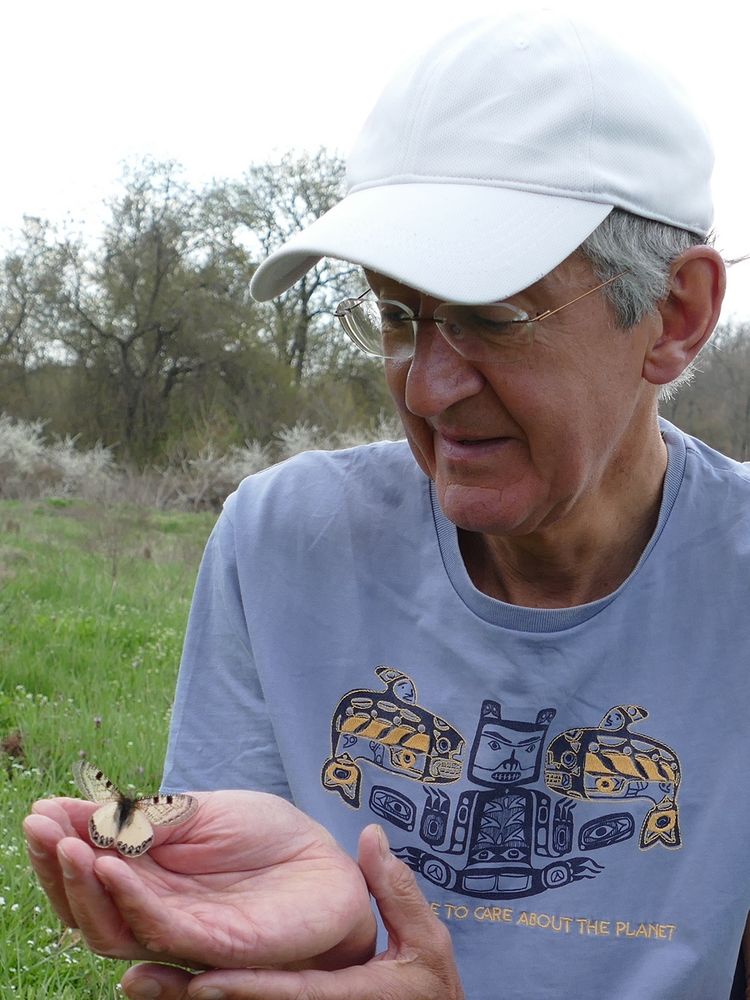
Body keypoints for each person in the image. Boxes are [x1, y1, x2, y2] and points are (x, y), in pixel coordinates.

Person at [23, 9, 750, 999]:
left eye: (493, 316)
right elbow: (245, 933)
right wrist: (262, 951)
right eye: (398, 316)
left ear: (675, 316)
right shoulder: (282, 543)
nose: (426, 388)